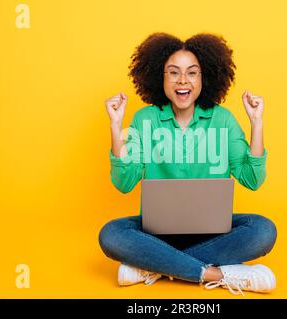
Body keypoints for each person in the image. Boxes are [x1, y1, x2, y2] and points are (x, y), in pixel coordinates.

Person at [99, 33, 277, 296]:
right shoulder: (145, 119)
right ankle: (218, 274)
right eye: (173, 73)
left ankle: (154, 266)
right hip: (158, 235)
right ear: (161, 78)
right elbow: (124, 183)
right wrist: (115, 126)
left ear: (204, 78)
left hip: (212, 235)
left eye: (192, 73)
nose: (183, 81)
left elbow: (252, 178)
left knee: (263, 230)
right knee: (111, 234)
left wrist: (257, 124)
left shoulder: (223, 120)